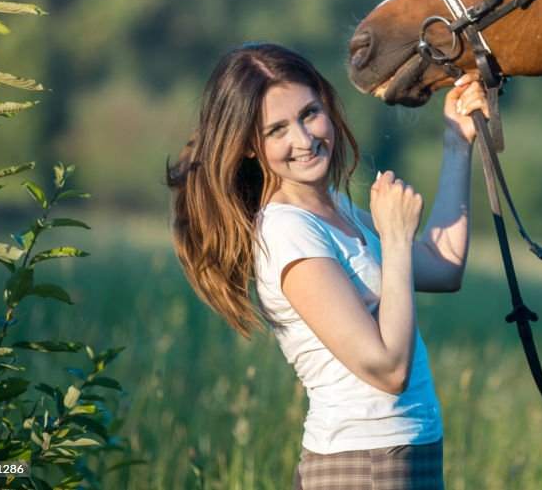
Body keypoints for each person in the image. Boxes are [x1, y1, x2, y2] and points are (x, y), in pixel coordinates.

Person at [167, 43, 488, 490]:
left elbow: (442, 267)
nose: (303, 139)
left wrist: (457, 140)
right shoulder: (288, 232)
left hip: (405, 454)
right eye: (276, 129)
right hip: (364, 464)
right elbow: (388, 370)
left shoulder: (335, 207)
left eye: (309, 113)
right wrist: (394, 239)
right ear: (248, 148)